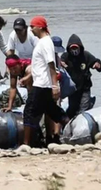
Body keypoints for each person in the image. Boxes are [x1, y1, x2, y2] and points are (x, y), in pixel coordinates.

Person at [24, 16, 69, 147]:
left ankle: (26, 144)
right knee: (53, 111)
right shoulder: (43, 42)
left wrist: (55, 86)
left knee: (29, 112)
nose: (31, 29)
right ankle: (73, 129)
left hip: (42, 84)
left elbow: (51, 64)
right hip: (43, 83)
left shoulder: (45, 43)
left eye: (32, 27)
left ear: (39, 27)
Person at [61, 34, 101, 118]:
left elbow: (97, 63)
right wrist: (62, 64)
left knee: (83, 109)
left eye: (76, 48)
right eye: (72, 48)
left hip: (85, 87)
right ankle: (69, 123)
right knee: (72, 108)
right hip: (72, 89)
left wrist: (98, 65)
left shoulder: (86, 55)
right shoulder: (66, 56)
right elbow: (60, 62)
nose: (74, 50)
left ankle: (83, 124)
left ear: (80, 47)